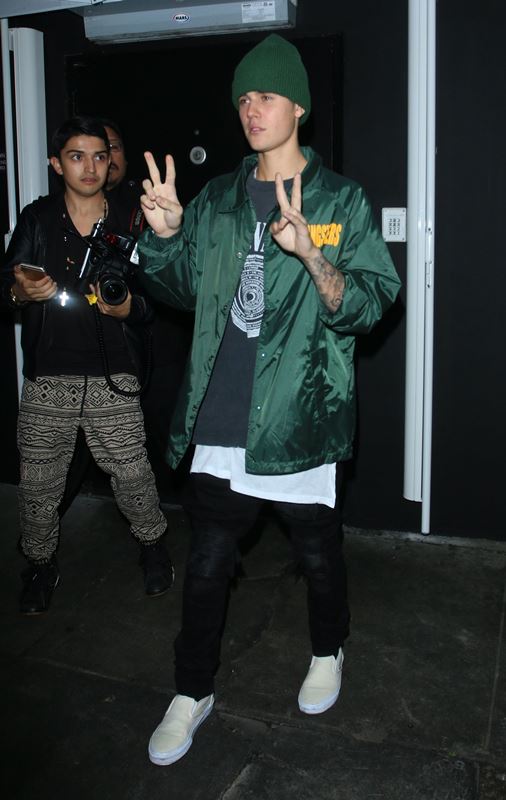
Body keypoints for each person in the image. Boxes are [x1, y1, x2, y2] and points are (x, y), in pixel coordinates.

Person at [137, 34, 401, 766]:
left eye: (268, 96)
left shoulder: (339, 199)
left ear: (299, 107)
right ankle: (192, 690)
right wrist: (164, 238)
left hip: (297, 414)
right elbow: (181, 291)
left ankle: (328, 648)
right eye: (244, 98)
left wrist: (312, 254)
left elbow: (370, 303)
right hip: (221, 415)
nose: (252, 109)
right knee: (206, 564)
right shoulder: (219, 198)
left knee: (317, 553)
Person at [0, 116, 174, 615]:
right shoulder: (37, 218)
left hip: (112, 371)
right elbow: (5, 285)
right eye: (77, 156)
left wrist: (129, 308)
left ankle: (153, 547)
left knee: (133, 473)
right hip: (49, 372)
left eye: (100, 155)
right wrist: (20, 291)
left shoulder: (131, 219)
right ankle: (39, 564)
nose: (91, 167)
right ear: (57, 164)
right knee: (38, 482)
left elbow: (158, 297)